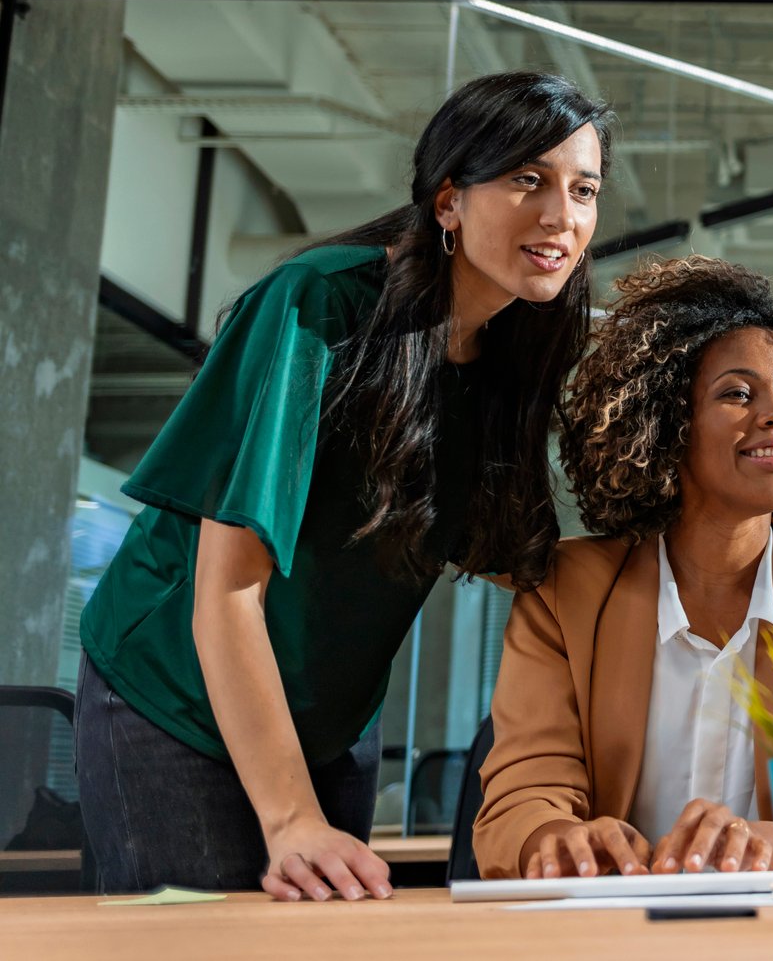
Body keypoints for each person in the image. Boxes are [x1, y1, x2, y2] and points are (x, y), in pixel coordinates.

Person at [75, 70, 609, 900]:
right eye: (526, 180)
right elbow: (227, 589)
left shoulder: (513, 346)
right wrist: (290, 818)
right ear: (447, 202)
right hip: (176, 699)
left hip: (329, 718)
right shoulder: (321, 305)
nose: (561, 216)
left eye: (583, 189)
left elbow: (511, 560)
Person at [473, 256, 773, 880]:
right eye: (736, 393)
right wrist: (558, 838)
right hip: (609, 932)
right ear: (669, 423)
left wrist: (764, 843)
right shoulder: (568, 591)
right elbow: (522, 793)